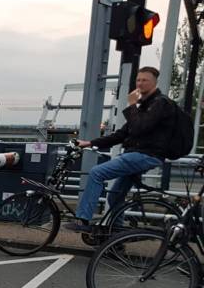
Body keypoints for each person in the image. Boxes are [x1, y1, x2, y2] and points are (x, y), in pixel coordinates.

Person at [64, 66, 174, 233]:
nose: (140, 83)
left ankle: (84, 220)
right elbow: (121, 134)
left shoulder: (160, 103)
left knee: (97, 173)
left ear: (154, 83)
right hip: (138, 154)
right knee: (115, 195)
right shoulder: (144, 107)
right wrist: (89, 142)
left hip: (146, 155)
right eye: (138, 80)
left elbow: (139, 128)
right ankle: (117, 239)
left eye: (145, 80)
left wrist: (131, 106)